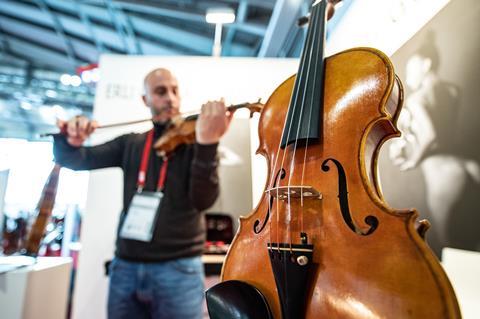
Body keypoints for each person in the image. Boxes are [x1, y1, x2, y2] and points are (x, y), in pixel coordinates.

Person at [53, 68, 233, 319]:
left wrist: (208, 144)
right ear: (145, 100)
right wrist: (69, 140)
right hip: (126, 266)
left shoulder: (195, 143)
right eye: (160, 92)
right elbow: (76, 159)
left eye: (174, 91)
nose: (170, 98)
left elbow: (203, 200)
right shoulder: (131, 143)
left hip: (178, 269)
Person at [389, 36, 480, 255]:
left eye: (413, 69)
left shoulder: (416, 100)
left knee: (453, 245)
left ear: (427, 64)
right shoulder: (453, 91)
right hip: (467, 163)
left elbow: (430, 134)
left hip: (440, 170)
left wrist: (413, 160)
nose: (409, 77)